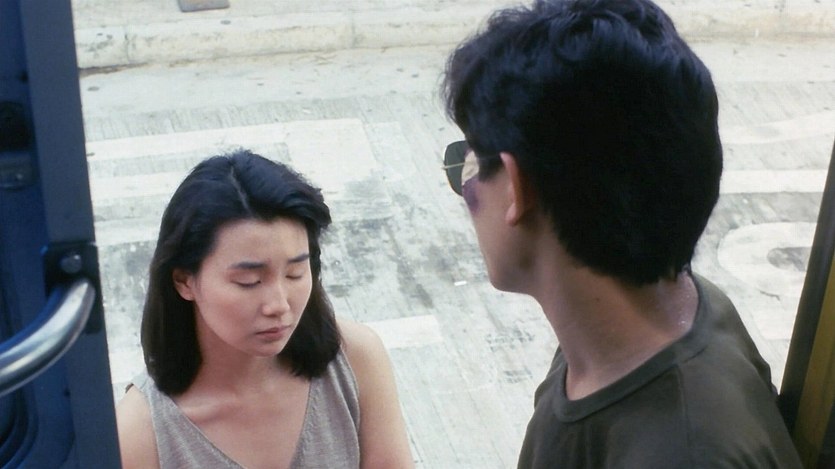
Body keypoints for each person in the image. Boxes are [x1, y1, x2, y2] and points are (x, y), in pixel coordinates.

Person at [440, 0, 802, 467]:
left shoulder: (683, 452)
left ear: (515, 187)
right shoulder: (628, 325)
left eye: (468, 163)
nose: (463, 185)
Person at [116, 150, 413, 469]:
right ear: (184, 280)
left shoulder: (356, 359)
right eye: (249, 281)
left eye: (295, 273)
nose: (279, 305)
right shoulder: (138, 434)